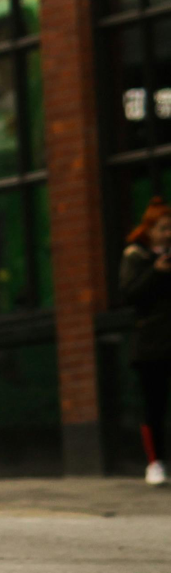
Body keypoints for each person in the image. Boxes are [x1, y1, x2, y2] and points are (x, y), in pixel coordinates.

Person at [118, 197, 171, 487]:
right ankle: (155, 462)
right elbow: (129, 293)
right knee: (154, 404)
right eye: (163, 228)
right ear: (149, 230)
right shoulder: (135, 256)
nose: (168, 234)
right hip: (152, 344)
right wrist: (156, 272)